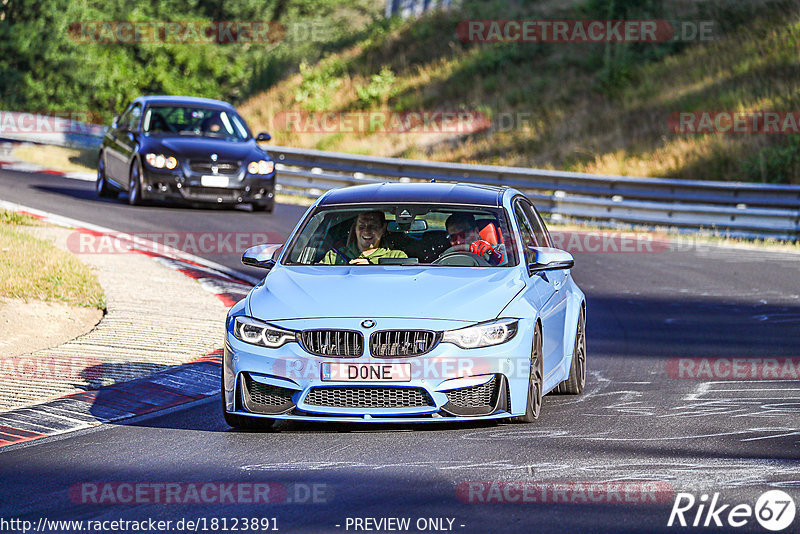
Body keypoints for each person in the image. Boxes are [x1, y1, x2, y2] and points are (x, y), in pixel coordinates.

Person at [321, 211, 407, 265]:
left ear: (383, 229)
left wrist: (371, 269)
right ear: (355, 228)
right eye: (361, 226)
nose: (366, 231)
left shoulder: (397, 257)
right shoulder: (334, 256)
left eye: (373, 226)